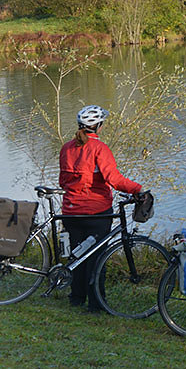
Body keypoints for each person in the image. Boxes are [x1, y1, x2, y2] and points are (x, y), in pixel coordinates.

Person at [59, 104, 143, 312]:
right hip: (96, 213)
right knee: (96, 259)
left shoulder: (67, 148)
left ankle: (77, 297)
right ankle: (96, 305)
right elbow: (113, 179)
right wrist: (137, 189)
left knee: (76, 255)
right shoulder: (99, 149)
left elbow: (63, 181)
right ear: (98, 126)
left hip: (70, 211)